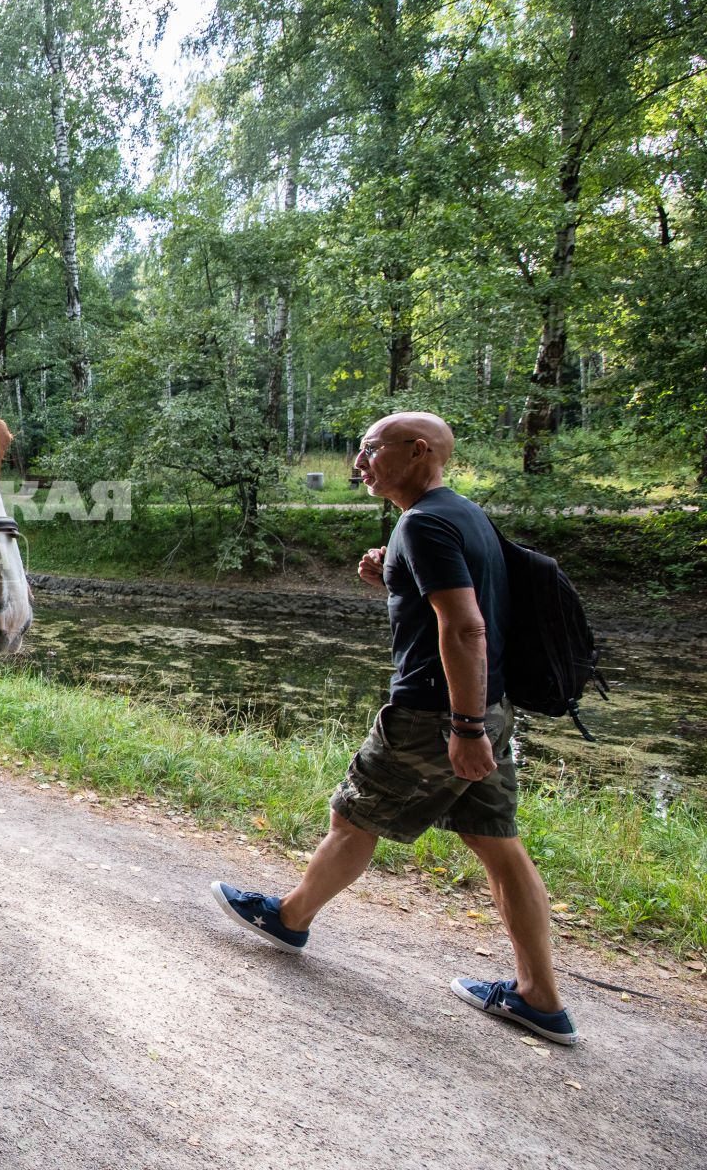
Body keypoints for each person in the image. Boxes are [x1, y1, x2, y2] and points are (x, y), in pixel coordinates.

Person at [210, 411, 575, 1045]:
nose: (359, 463)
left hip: (438, 715)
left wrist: (462, 729)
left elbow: (466, 627)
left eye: (370, 450)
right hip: (491, 706)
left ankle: (290, 919)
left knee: (356, 818)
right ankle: (539, 998)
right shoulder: (463, 515)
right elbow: (473, 600)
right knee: (497, 842)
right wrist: (394, 577)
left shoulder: (425, 524)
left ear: (416, 451)